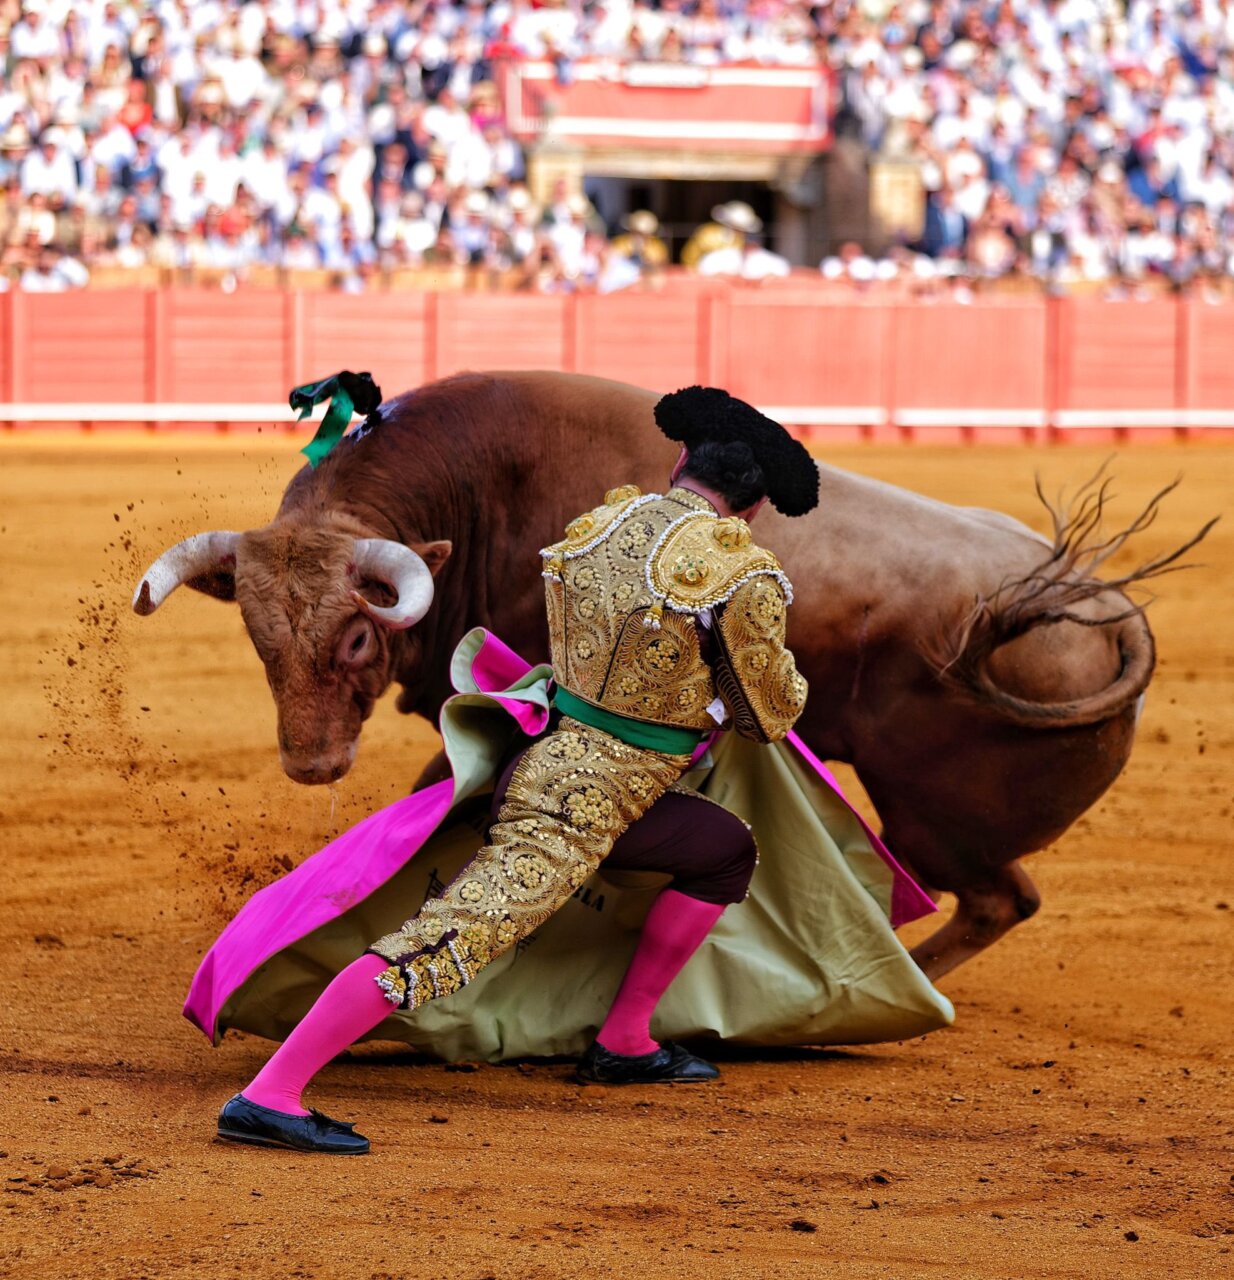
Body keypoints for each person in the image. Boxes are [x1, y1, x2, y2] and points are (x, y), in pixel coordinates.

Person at [216, 387, 820, 1155]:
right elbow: (770, 715)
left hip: (544, 756)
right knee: (449, 937)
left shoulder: (598, 525)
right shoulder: (740, 572)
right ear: (756, 505)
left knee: (722, 848)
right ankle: (270, 1093)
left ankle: (627, 1040)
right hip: (580, 803)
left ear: (679, 463)